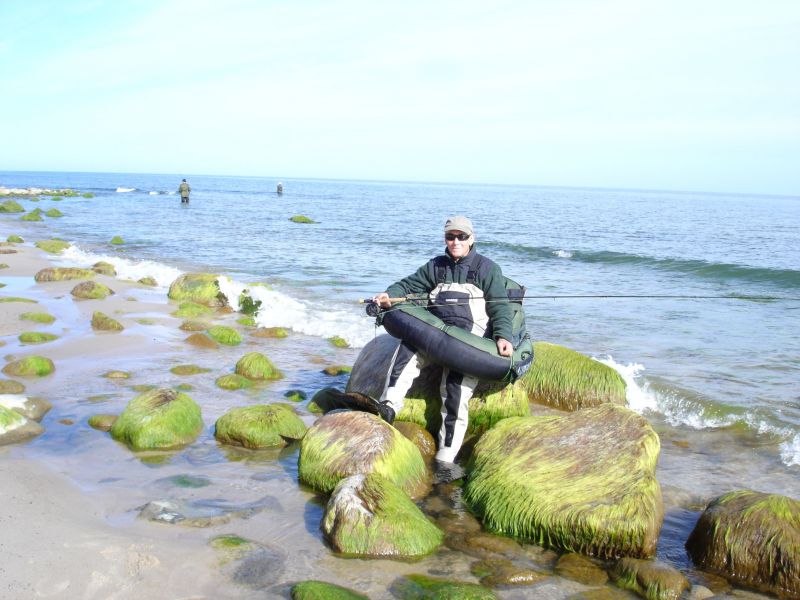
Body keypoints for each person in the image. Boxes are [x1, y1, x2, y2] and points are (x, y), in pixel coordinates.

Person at [372, 216, 514, 465]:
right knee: (407, 348)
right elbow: (407, 284)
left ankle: (446, 457)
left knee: (455, 388)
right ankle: (388, 407)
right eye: (450, 236)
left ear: (472, 239)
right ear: (445, 239)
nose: (456, 241)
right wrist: (389, 295)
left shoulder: (488, 269)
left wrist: (503, 336)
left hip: (467, 342)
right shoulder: (435, 266)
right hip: (435, 334)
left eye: (462, 236)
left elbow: (500, 307)